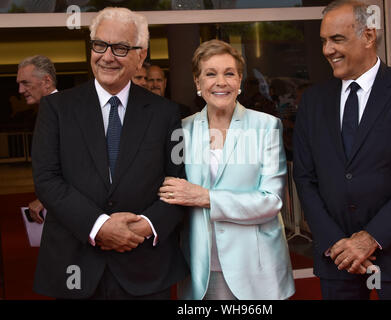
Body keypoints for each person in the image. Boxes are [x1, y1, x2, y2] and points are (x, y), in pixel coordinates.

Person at [31, 7, 188, 299]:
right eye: (100, 45)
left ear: (140, 55)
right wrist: (100, 226)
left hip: (145, 268)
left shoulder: (166, 113)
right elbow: (47, 179)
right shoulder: (56, 109)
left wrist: (142, 228)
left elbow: (177, 183)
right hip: (74, 268)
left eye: (120, 48)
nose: (107, 56)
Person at [293, 0, 391, 300]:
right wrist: (336, 242)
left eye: (337, 39)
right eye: (324, 41)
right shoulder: (313, 102)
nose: (327, 50)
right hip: (337, 259)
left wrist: (372, 237)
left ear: (368, 36)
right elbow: (305, 179)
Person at [158, 39, 294, 300]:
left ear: (239, 80)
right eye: (211, 74)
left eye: (229, 73)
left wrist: (206, 197)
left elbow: (271, 200)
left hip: (256, 266)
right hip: (200, 267)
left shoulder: (265, 127)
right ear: (198, 83)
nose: (221, 82)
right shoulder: (181, 131)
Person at [16, 55, 58, 224]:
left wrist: (45, 199)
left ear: (46, 81)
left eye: (25, 83)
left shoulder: (65, 113)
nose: (20, 90)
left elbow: (79, 165)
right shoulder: (47, 111)